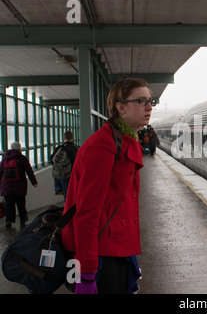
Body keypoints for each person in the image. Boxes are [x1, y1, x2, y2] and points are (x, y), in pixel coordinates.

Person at [62, 77, 153, 294]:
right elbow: (87, 212)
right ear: (120, 107)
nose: (149, 107)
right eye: (141, 101)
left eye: (151, 100)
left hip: (119, 249)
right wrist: (86, 272)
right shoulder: (103, 145)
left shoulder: (125, 139)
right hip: (102, 255)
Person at [0, 142, 38, 227]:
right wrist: (34, 182)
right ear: (19, 149)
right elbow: (29, 171)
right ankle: (23, 219)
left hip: (7, 187)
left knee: (9, 204)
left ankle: (8, 221)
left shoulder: (5, 158)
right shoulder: (22, 158)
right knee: (21, 203)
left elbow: (0, 172)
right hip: (19, 186)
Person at [50, 130, 79, 200]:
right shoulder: (77, 148)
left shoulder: (60, 148)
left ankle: (68, 209)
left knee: (67, 196)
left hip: (64, 175)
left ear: (64, 138)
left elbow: (52, 160)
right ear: (72, 138)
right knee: (77, 195)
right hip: (76, 175)